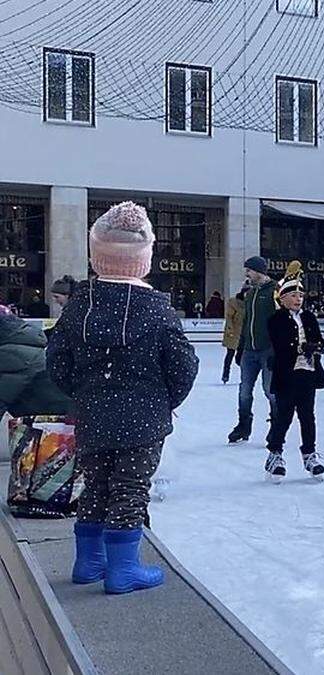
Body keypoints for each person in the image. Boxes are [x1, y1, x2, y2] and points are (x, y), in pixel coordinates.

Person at [46, 201, 198, 595]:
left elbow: (57, 359)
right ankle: (123, 569)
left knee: (96, 485)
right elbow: (183, 365)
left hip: (93, 413)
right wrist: (166, 401)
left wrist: (82, 393)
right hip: (144, 417)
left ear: (98, 257)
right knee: (130, 489)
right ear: (144, 260)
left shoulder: (79, 304)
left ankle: (88, 561)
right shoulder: (158, 310)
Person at [264, 271, 324, 483]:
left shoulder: (309, 317)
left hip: (308, 374)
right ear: (282, 299)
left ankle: (309, 453)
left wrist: (316, 347)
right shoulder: (276, 320)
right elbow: (280, 345)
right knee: (283, 416)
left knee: (308, 416)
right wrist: (301, 347)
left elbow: (319, 339)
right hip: (287, 374)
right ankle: (275, 453)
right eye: (293, 295)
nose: (298, 299)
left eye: (300, 296)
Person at [228, 256, 278, 444]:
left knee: (270, 390)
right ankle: (243, 425)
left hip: (268, 351)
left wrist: (278, 350)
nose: (247, 274)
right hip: (249, 350)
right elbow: (246, 321)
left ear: (258, 271)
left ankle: (276, 427)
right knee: (244, 391)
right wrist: (240, 348)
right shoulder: (249, 293)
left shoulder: (274, 291)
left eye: (249, 270)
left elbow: (282, 321)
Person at [0, 304, 72, 417]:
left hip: (53, 416)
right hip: (55, 411)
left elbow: (3, 396)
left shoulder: (13, 354)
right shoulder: (21, 345)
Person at [221, 287, 246, 384]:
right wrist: (230, 330)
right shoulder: (234, 303)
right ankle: (225, 375)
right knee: (229, 355)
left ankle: (244, 376)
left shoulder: (250, 304)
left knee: (242, 357)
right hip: (234, 333)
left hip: (245, 334)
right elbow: (229, 318)